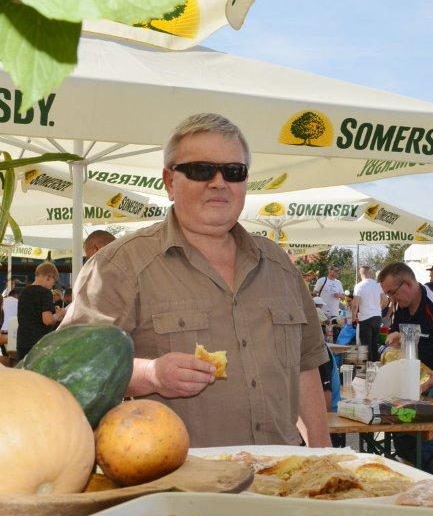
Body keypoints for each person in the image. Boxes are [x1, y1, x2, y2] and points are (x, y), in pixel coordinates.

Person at [61, 113, 330, 447]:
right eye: (201, 170)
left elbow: (305, 369)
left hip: (282, 470)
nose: (218, 182)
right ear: (170, 182)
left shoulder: (280, 266)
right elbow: (72, 369)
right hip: (179, 474)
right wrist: (151, 375)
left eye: (233, 172)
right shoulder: (119, 266)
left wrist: (324, 456)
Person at [378, 262, 433, 471]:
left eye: (392, 293)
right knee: (400, 428)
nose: (391, 299)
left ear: (408, 284)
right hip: (416, 379)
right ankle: (410, 468)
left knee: (427, 438)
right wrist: (395, 338)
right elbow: (400, 339)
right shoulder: (401, 307)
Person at [16, 262, 65, 361]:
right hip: (39, 344)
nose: (53, 285)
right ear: (49, 277)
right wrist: (58, 314)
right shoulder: (46, 293)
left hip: (22, 342)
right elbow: (47, 320)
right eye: (54, 281)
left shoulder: (24, 292)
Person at [351, 265, 385, 363]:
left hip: (365, 318)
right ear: (370, 272)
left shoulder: (359, 286)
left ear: (360, 273)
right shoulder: (378, 284)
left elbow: (355, 305)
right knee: (375, 343)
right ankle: (376, 366)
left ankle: (368, 367)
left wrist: (353, 318)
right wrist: (378, 308)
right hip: (377, 317)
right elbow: (385, 300)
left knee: (366, 346)